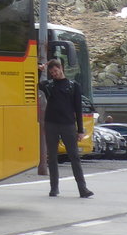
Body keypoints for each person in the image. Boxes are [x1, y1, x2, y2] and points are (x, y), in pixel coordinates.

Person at [39, 59, 93, 198]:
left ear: (61, 68)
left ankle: (83, 189)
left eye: (55, 71)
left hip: (68, 125)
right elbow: (39, 85)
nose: (54, 74)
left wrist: (80, 130)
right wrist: (40, 71)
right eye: (51, 72)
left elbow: (78, 109)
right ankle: (54, 188)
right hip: (51, 124)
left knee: (74, 156)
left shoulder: (73, 86)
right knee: (52, 157)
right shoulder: (49, 85)